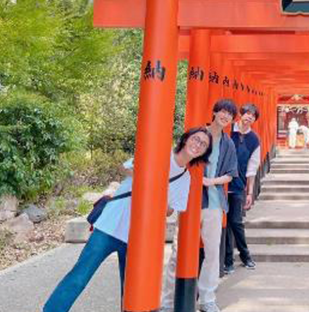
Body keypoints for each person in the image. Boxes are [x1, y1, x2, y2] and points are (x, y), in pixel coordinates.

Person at [43, 127, 213, 312]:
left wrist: (155, 191)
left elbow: (170, 211)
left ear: (205, 152)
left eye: (203, 144)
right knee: (79, 277)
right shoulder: (160, 154)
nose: (198, 145)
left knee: (131, 290)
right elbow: (126, 167)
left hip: (138, 238)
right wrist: (147, 180)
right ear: (186, 139)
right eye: (196, 139)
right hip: (110, 226)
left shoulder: (185, 178)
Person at [160, 100, 238, 312]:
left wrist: (210, 182)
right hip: (188, 201)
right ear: (214, 112)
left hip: (212, 203)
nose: (225, 116)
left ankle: (207, 298)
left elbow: (230, 174)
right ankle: (168, 301)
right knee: (179, 251)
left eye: (230, 114)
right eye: (222, 111)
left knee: (212, 252)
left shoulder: (228, 143)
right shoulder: (198, 136)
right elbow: (179, 159)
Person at [224, 103, 260, 273]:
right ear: (241, 114)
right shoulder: (227, 130)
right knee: (223, 224)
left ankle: (245, 256)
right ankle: (228, 260)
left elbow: (252, 168)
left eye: (253, 116)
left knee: (235, 222)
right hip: (219, 184)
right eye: (247, 113)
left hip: (238, 186)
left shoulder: (254, 139)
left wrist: (250, 192)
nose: (249, 117)